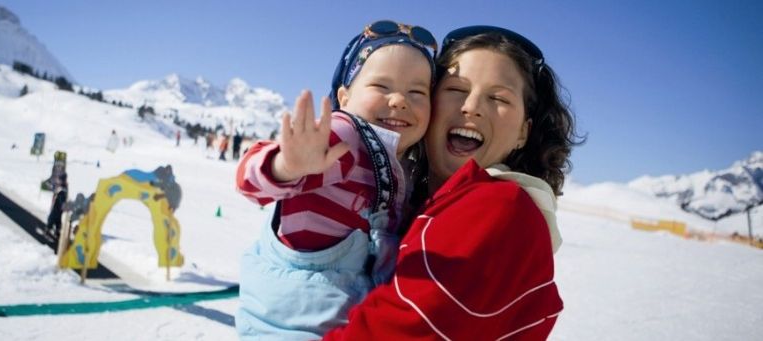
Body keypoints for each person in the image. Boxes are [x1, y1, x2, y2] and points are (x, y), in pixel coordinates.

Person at [320, 25, 578, 340]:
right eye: (456, 90)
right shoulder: (410, 202)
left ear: (523, 132)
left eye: (498, 98)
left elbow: (403, 329)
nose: (471, 107)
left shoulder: (499, 206)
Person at [235, 20, 437, 339]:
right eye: (382, 86)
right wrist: (285, 166)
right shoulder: (344, 137)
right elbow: (249, 179)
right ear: (344, 97)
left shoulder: (405, 167)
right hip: (289, 326)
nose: (399, 100)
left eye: (417, 92)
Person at [46, 173, 68, 244]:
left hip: (57, 209)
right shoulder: (61, 187)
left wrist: (63, 206)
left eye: (59, 179)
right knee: (57, 222)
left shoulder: (62, 190)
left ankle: (49, 232)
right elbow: (53, 188)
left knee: (52, 220)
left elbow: (62, 200)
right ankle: (57, 234)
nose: (58, 181)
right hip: (58, 208)